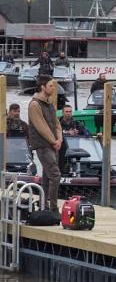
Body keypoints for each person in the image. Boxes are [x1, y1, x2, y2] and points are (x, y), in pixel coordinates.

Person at [27, 75, 63, 212]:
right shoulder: (34, 104)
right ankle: (53, 208)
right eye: (50, 86)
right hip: (43, 145)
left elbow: (57, 123)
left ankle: (43, 204)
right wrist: (54, 141)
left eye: (53, 85)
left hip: (54, 144)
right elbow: (41, 126)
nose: (53, 88)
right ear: (42, 87)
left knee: (48, 175)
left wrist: (59, 139)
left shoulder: (50, 103)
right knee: (55, 175)